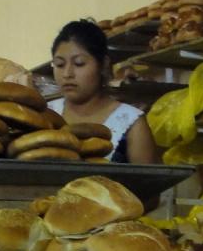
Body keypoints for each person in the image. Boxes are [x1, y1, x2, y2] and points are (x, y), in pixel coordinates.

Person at [49, 20, 158, 164]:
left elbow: (145, 177)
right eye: (59, 64)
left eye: (79, 63)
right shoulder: (45, 114)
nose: (67, 74)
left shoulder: (131, 121)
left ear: (103, 65)